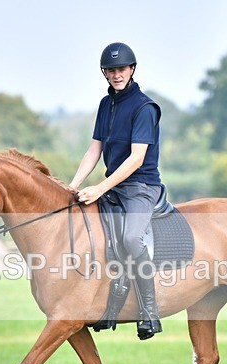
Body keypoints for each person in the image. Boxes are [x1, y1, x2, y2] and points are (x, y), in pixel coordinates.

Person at [70, 42, 164, 340]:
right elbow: (94, 148)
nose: (116, 75)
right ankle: (108, 306)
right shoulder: (105, 104)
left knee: (131, 237)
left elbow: (136, 159)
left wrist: (98, 187)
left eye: (121, 69)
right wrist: (72, 185)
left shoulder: (145, 107)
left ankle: (149, 312)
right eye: (110, 70)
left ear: (132, 69)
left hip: (141, 187)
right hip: (114, 187)